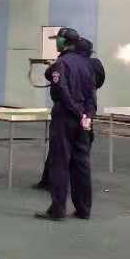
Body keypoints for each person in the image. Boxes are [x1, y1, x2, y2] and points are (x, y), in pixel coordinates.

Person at [35, 27, 96, 221]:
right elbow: (91, 95)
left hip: (65, 117)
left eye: (58, 39)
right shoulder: (87, 64)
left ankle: (58, 209)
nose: (56, 42)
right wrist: (87, 115)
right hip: (83, 119)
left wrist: (77, 113)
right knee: (81, 164)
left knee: (60, 163)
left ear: (63, 42)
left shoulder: (61, 64)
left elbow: (62, 91)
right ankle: (84, 209)